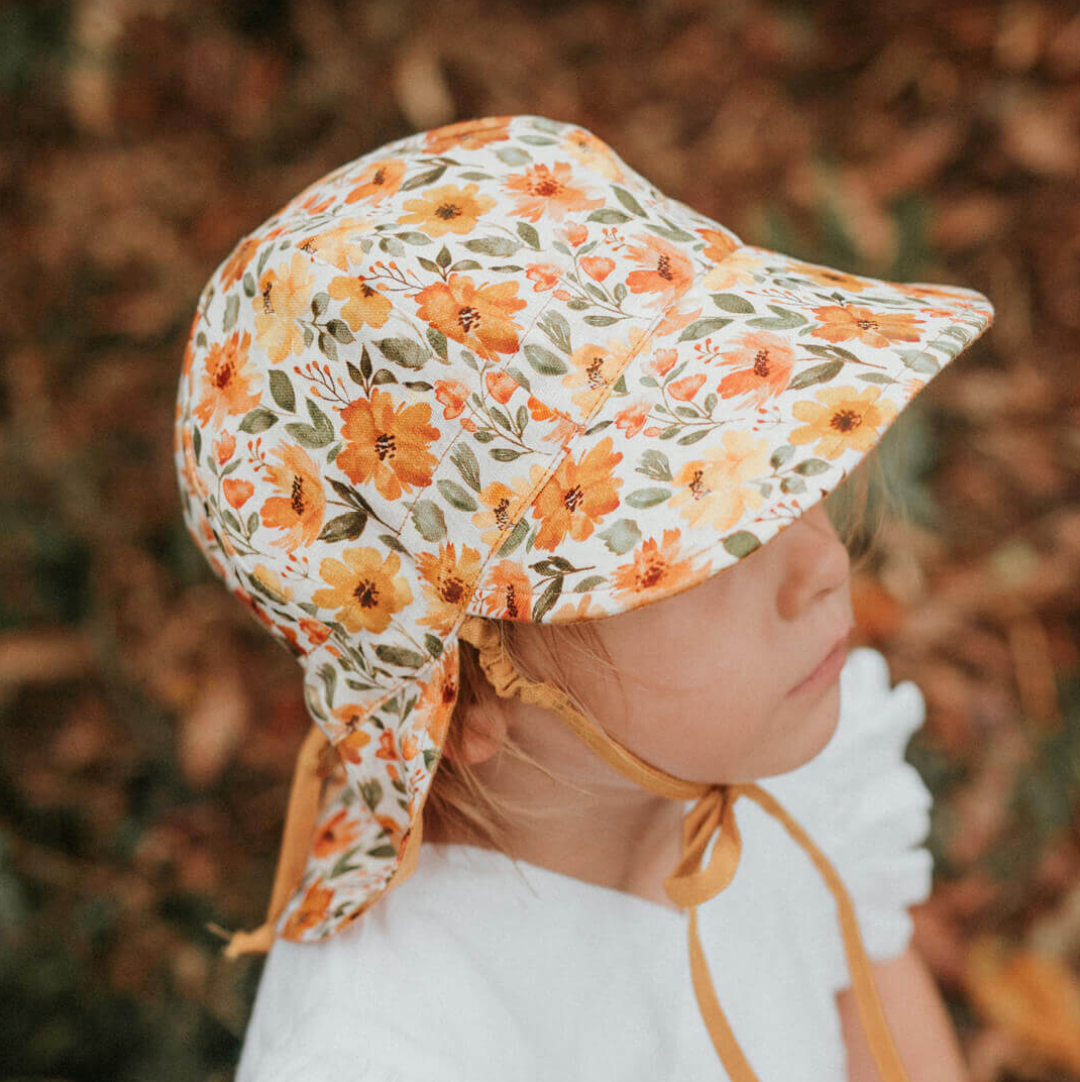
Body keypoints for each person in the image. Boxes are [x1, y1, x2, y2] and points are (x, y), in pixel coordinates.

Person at [173, 114, 995, 1080]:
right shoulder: (400, 1050)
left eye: (776, 472)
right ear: (471, 694)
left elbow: (883, 1032)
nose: (818, 564)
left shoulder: (782, 757)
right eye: (698, 545)